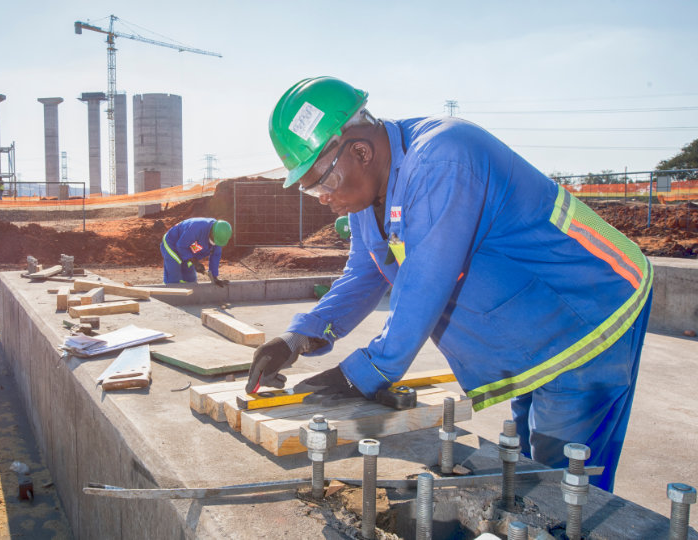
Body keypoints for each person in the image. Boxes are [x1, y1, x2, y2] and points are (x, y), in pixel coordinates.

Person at [248, 76, 652, 491]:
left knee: (567, 488)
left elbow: (425, 282)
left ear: (361, 151)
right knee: (532, 469)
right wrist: (299, 336)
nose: (323, 198)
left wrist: (365, 372)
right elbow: (364, 273)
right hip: (532, 324)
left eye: (321, 183)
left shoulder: (445, 157)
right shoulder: (367, 197)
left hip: (587, 309)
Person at [160, 218, 232, 286]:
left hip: (188, 248)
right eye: (215, 240)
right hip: (172, 243)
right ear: (212, 233)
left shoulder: (218, 237)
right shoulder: (196, 228)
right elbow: (181, 246)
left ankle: (188, 298)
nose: (215, 244)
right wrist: (195, 262)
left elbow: (215, 256)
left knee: (190, 279)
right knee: (174, 277)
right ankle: (169, 296)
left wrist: (214, 277)